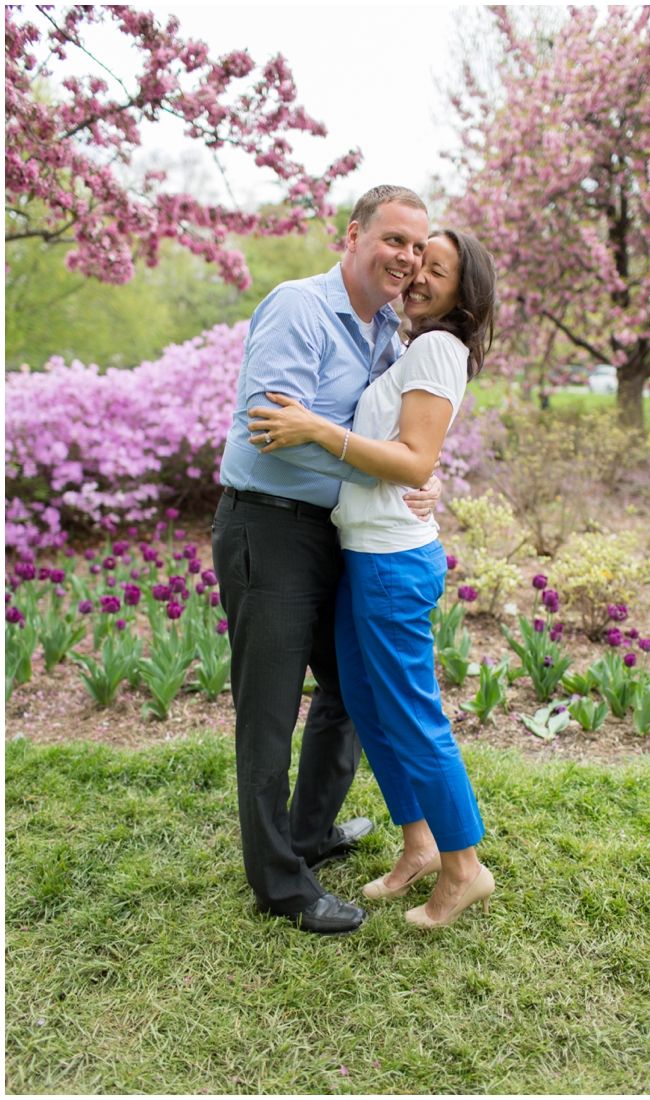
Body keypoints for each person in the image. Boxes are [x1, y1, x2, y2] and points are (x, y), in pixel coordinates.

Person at [247, 228, 503, 930]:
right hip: (368, 552)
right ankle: (418, 843)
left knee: (413, 716)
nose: (418, 274)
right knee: (365, 700)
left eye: (438, 270)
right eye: (419, 260)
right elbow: (411, 453)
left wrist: (316, 430)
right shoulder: (408, 343)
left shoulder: (436, 347)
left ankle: (463, 869)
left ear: (462, 292)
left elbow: (414, 459)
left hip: (393, 561)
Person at [214, 184, 442, 936]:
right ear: (354, 235)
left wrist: (414, 474)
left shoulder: (385, 332)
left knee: (352, 688)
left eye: (419, 247)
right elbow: (272, 433)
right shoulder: (299, 308)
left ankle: (308, 835)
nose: (407, 259)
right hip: (268, 528)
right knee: (270, 713)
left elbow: (380, 436)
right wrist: (386, 471)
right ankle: (280, 884)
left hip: (335, 534)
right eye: (395, 240)